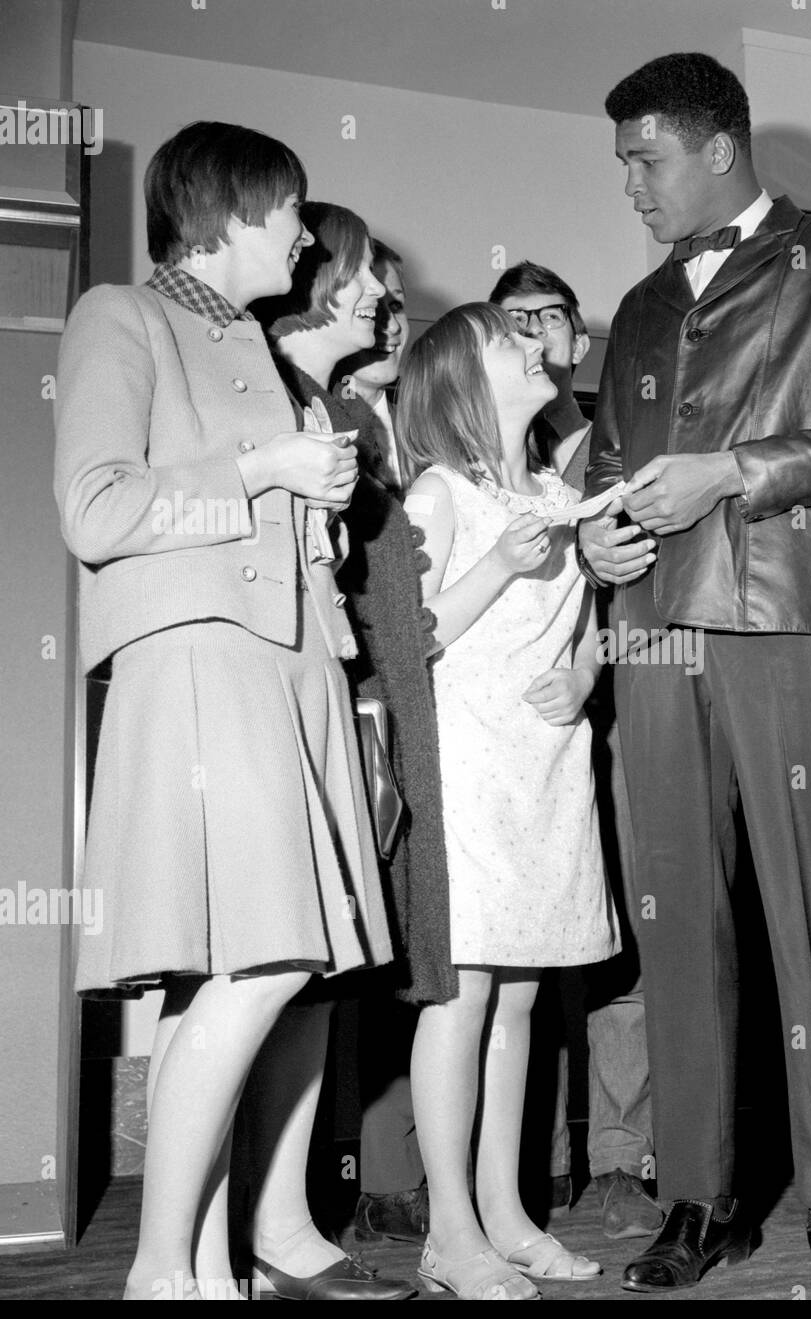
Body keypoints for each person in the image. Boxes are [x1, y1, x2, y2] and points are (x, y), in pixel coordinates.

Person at [580, 53, 811, 1298]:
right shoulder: (630, 309)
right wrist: (597, 530)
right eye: (622, 160)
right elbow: (610, 469)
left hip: (789, 612)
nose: (628, 182)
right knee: (676, 918)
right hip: (654, 628)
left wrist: (731, 472)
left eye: (645, 157)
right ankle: (699, 1193)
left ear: (718, 148)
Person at [54, 122, 408, 1300]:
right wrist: (266, 472)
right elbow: (97, 510)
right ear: (226, 211)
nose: (305, 233)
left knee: (252, 972)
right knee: (260, 963)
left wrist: (321, 497)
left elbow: (264, 513)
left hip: (291, 667)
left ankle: (210, 1269)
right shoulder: (124, 313)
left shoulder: (252, 339)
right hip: (205, 661)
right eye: (289, 209)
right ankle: (160, 1272)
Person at [397, 302, 618, 1299]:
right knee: (465, 990)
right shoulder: (441, 492)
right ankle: (449, 1231)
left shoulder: (559, 493)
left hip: (546, 756)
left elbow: (598, 616)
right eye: (506, 342)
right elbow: (402, 636)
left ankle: (505, 1213)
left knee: (521, 994)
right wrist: (499, 561)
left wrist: (583, 675)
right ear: (460, 383)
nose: (534, 348)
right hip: (468, 755)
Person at [258, 222, 452, 1250]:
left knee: (374, 954)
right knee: (323, 962)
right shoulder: (305, 408)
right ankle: (339, 1187)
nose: (390, 305)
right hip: (347, 700)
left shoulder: (395, 416)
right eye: (375, 285)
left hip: (391, 709)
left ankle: (356, 1188)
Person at [489, 261, 661, 1241]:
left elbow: (639, 586)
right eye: (510, 321)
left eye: (547, 318)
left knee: (622, 944)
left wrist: (594, 674)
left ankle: (618, 1156)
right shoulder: (471, 453)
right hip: (506, 734)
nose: (530, 336)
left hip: (617, 719)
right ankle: (510, 1171)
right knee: (506, 950)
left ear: (576, 339)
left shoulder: (617, 441)